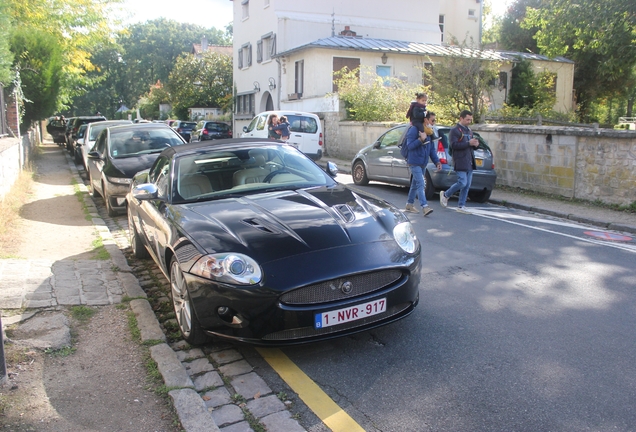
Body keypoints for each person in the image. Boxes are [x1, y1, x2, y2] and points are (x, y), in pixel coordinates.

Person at [439, 110, 480, 213]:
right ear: (461, 118)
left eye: (470, 119)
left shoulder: (469, 131)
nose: (469, 121)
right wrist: (468, 143)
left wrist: (475, 145)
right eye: (467, 119)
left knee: (467, 185)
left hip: (469, 161)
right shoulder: (455, 130)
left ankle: (461, 206)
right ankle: (445, 194)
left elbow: (471, 146)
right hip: (460, 160)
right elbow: (454, 145)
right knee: (462, 182)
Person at [404, 111, 442, 216]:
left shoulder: (429, 132)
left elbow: (431, 150)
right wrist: (421, 139)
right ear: (425, 120)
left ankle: (409, 204)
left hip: (423, 163)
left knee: (415, 185)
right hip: (414, 162)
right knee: (421, 183)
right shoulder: (414, 130)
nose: (433, 123)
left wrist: (437, 161)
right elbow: (410, 146)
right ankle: (424, 206)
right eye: (432, 120)